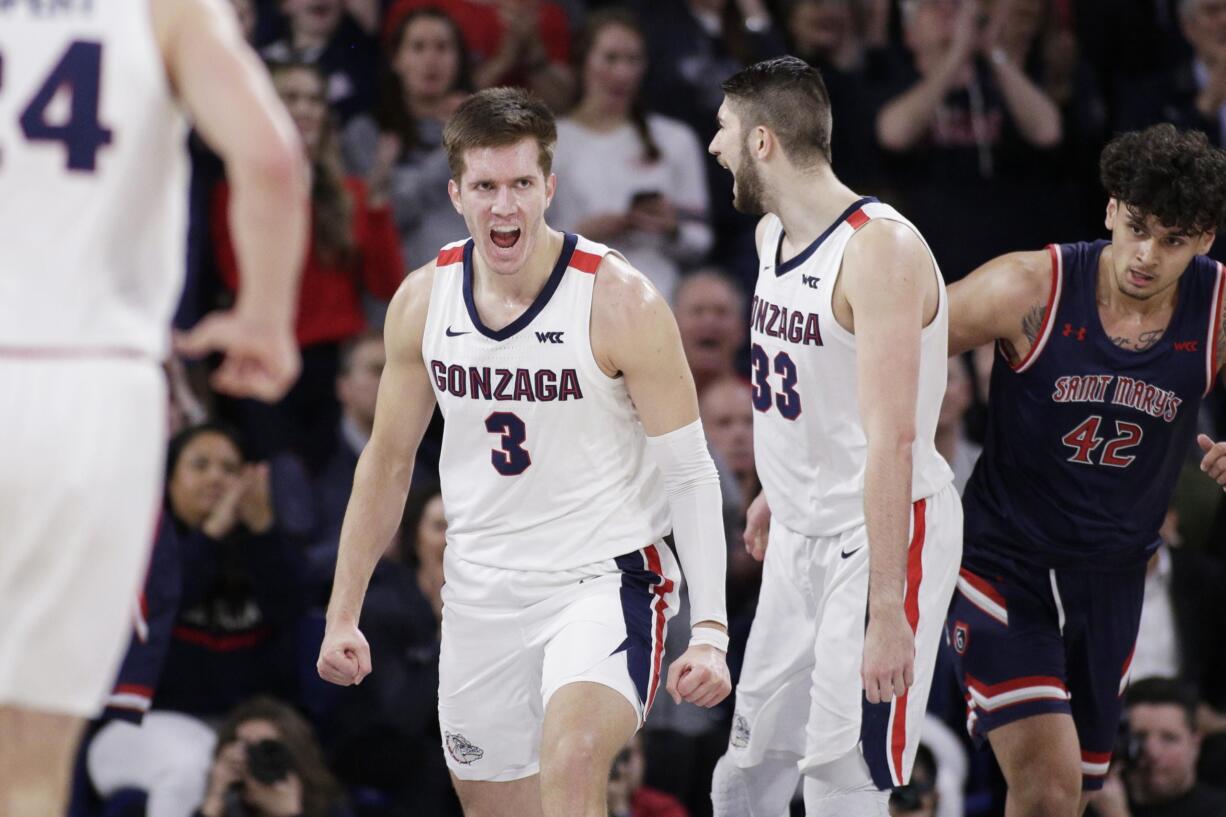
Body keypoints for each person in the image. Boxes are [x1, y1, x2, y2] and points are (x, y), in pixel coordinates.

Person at [316, 87, 732, 817]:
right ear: (455, 193)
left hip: (601, 579)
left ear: (550, 187)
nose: (503, 207)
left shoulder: (620, 300)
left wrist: (711, 630)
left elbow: (692, 469)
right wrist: (342, 612)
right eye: (485, 187)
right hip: (480, 588)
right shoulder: (423, 302)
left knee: (571, 766)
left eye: (520, 185)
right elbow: (386, 460)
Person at [0, 3, 306, 815]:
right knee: (29, 764)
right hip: (88, 384)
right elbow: (272, 158)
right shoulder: (167, 9)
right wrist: (266, 315)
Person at [943, 123, 1226, 817]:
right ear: (1109, 208)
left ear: (1206, 241)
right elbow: (893, 347)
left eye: (1173, 241)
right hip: (1001, 560)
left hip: (1113, 575)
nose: (1146, 256)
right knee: (1046, 787)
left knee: (1075, 794)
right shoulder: (1027, 285)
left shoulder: (1216, 308)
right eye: (1136, 228)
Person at [707, 56, 963, 817]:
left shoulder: (879, 250)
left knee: (838, 782)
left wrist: (889, 608)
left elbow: (891, 440)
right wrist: (772, 491)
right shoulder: (767, 238)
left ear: (761, 142)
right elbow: (794, 388)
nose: (713, 147)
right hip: (801, 532)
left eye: (723, 129)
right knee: (745, 774)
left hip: (883, 533)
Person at [212, 59, 405, 468]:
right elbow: (239, 277)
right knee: (287, 493)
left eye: (315, 99)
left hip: (333, 370)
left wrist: (375, 207)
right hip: (267, 361)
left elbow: (386, 284)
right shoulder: (235, 191)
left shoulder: (349, 194)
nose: (306, 109)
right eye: (292, 98)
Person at [551, 7, 713, 303]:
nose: (623, 73)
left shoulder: (675, 139)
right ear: (583, 60)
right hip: (576, 297)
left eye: (633, 60)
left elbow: (699, 240)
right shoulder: (551, 141)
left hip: (657, 294)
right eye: (611, 58)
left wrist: (672, 229)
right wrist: (581, 234)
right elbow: (529, 243)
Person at [1088, 677, 1226, 817]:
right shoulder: (1095, 801)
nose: (1152, 752)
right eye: (1139, 737)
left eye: (1169, 738)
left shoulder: (1217, 810)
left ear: (1195, 743)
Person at [196, 695, 352, 817]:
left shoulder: (329, 805)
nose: (255, 757)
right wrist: (214, 797)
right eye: (245, 747)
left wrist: (288, 813)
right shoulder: (230, 804)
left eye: (266, 748)